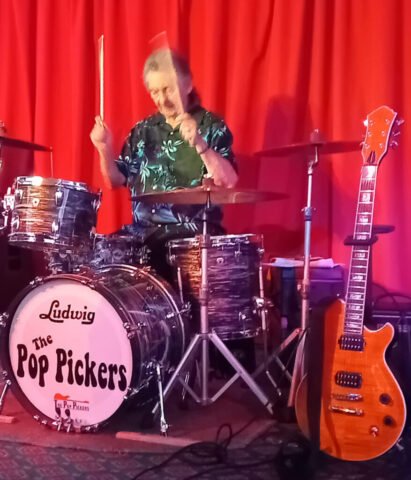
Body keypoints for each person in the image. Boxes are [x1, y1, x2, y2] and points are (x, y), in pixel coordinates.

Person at [90, 48, 238, 280]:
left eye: (168, 89)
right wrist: (103, 148)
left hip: (193, 235)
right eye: (155, 91)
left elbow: (228, 181)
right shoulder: (142, 130)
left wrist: (200, 144)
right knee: (98, 256)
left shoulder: (211, 126)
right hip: (142, 234)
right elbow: (114, 180)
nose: (162, 99)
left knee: (158, 252)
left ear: (188, 85)